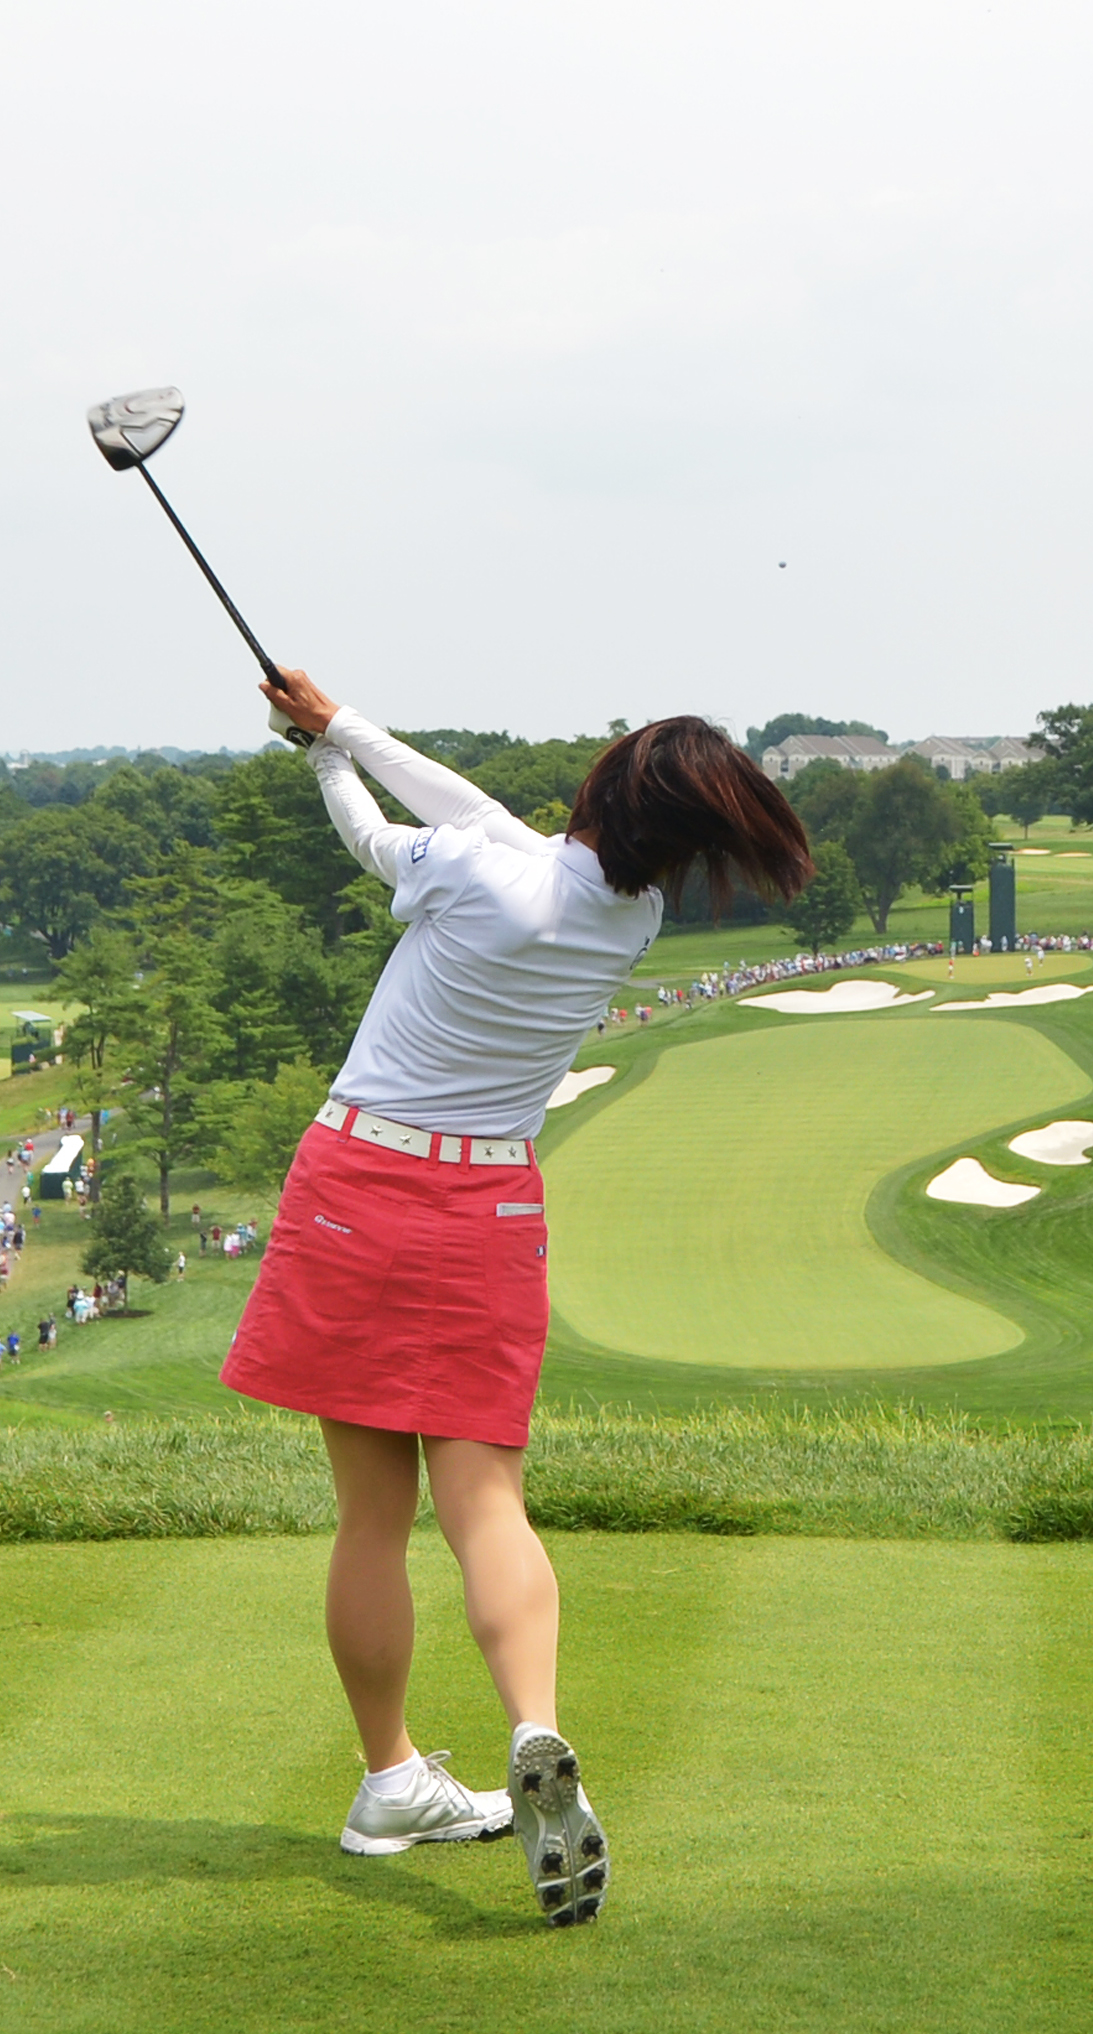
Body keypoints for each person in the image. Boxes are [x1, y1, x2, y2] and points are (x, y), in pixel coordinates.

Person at [220, 668, 811, 1928]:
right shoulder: (624, 920)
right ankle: (533, 1726)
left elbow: (392, 834)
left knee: (372, 1517)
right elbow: (485, 819)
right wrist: (343, 725)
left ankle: (390, 1779)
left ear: (602, 784)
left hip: (357, 1182)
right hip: (487, 1205)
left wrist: (325, 758)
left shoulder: (474, 875)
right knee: (484, 1498)